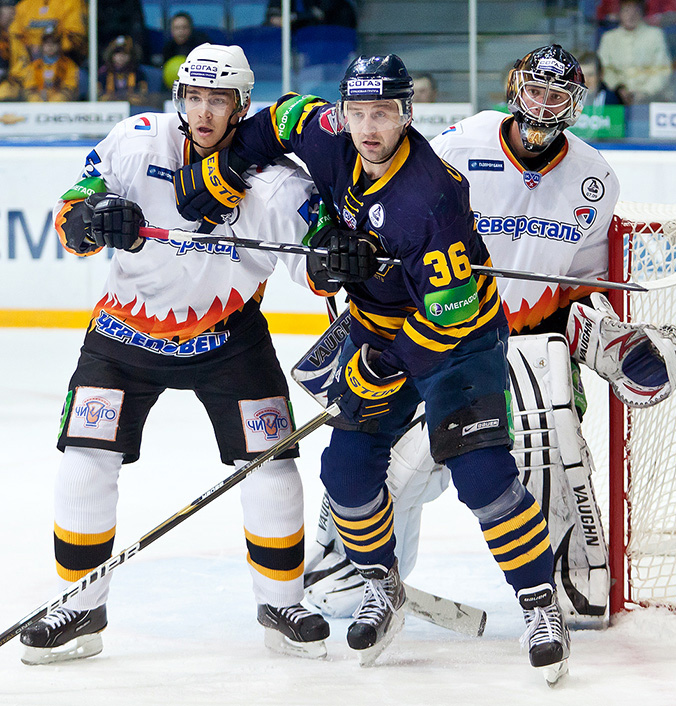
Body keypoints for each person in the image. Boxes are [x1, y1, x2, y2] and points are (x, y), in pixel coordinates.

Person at [173, 53, 572, 681]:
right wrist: (225, 166)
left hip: (457, 340)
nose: (368, 128)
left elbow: (451, 313)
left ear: (407, 115)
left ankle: (538, 603)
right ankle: (382, 585)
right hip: (376, 324)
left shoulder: (431, 196)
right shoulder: (327, 132)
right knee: (346, 474)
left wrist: (382, 367)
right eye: (357, 113)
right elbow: (279, 119)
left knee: (482, 476)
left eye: (382, 113)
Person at [303, 45, 676, 631]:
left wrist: (606, 340)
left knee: (540, 455)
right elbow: (378, 211)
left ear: (575, 104)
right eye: (535, 90)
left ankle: (557, 587)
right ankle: (362, 574)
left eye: (557, 95)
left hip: (525, 347)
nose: (543, 106)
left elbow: (580, 286)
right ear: (514, 88)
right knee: (386, 463)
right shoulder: (460, 144)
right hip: (427, 335)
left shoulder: (596, 179)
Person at [19, 43, 330, 666]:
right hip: (123, 335)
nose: (204, 112)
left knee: (271, 467)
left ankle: (282, 604)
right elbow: (75, 206)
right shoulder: (137, 140)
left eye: (218, 100)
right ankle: (79, 608)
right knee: (85, 459)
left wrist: (337, 256)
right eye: (194, 97)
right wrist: (91, 219)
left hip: (230, 339)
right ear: (179, 98)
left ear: (242, 105)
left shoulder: (277, 181)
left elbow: (318, 264)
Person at [597, 0, 672, 105]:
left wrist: (645, 92)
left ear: (642, 13)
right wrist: (619, 88)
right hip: (618, 96)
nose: (631, 15)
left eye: (635, 11)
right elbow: (605, 69)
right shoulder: (609, 38)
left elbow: (662, 70)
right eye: (626, 11)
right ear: (620, 13)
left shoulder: (655, 35)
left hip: (651, 97)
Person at [7, 0, 86, 74]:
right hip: (29, 62)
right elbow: (15, 35)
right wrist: (27, 50)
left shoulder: (71, 3)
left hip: (63, 62)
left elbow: (75, 35)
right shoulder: (24, 5)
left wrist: (48, 48)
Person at [20, 26, 78, 102]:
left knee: (59, 99)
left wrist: (57, 96)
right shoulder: (35, 65)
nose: (50, 46)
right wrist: (37, 96)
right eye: (46, 43)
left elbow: (70, 87)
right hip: (39, 98)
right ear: (42, 45)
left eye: (54, 43)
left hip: (59, 101)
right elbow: (29, 86)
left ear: (59, 45)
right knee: (33, 99)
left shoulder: (68, 64)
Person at [98, 35, 148, 106]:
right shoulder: (104, 73)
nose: (121, 57)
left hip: (132, 107)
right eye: (117, 53)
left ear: (131, 56)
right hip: (109, 107)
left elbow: (143, 95)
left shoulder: (138, 73)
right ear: (111, 55)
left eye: (125, 54)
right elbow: (99, 95)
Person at [265, 0, 357, 31]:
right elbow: (273, 17)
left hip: (329, 48)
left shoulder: (343, 7)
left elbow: (320, 13)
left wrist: (293, 17)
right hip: (291, 51)